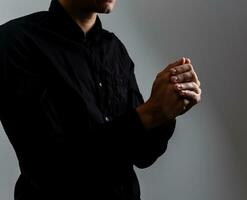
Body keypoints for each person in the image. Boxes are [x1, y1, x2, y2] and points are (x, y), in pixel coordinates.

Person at [0, 0, 201, 199]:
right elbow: (51, 167)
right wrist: (150, 113)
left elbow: (142, 154)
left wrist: (166, 111)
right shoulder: (13, 41)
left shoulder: (114, 48)